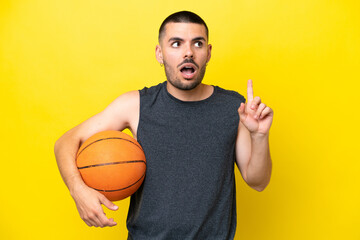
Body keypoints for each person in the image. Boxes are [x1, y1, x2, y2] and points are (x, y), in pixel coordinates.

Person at [54, 10, 273, 240]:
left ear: (208, 53)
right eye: (176, 43)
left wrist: (259, 136)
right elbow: (65, 143)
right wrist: (79, 191)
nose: (188, 52)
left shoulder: (233, 107)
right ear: (160, 53)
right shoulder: (135, 105)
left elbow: (258, 182)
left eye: (197, 43)